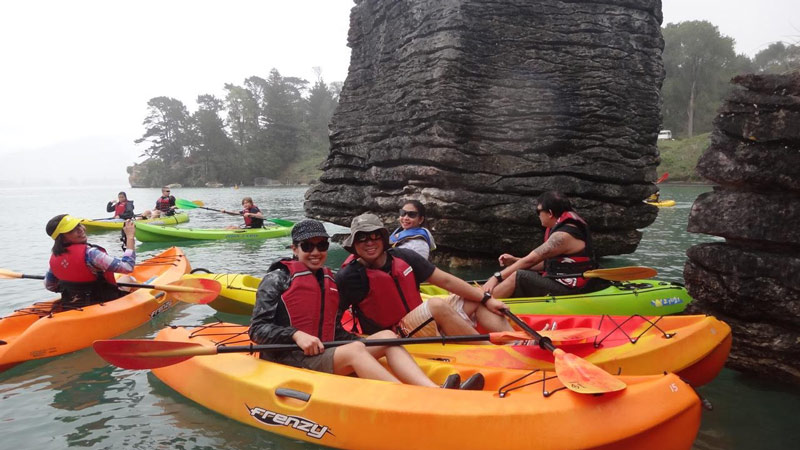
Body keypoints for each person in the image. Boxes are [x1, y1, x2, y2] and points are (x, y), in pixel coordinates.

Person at [249, 219, 482, 389]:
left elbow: (333, 329)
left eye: (321, 245)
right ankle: (410, 396)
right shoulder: (277, 279)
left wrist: (362, 340)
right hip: (291, 357)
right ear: (294, 249)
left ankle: (432, 389)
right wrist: (295, 335)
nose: (315, 252)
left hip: (323, 351)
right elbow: (257, 329)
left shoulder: (328, 279)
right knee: (355, 351)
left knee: (387, 338)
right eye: (307, 246)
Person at [336, 213, 513, 341]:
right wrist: (357, 341)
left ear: (382, 238)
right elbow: (333, 316)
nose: (369, 242)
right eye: (362, 238)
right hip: (395, 333)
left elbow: (445, 280)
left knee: (475, 296)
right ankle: (486, 349)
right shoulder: (349, 276)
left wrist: (487, 298)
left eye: (374, 236)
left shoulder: (403, 256)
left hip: (420, 321)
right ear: (354, 244)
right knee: (436, 304)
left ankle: (517, 343)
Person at [481, 191, 608, 299]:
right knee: (518, 273)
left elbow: (531, 259)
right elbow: (548, 264)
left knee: (519, 275)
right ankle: (483, 295)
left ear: (550, 213)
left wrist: (496, 277)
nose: (538, 215)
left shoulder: (563, 236)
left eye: (538, 211)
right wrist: (515, 261)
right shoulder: (560, 229)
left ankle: (480, 302)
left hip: (574, 289)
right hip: (562, 282)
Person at [44, 214, 137, 308]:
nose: (81, 229)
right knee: (130, 279)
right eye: (72, 230)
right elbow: (127, 267)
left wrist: (74, 290)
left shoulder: (55, 256)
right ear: (61, 238)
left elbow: (49, 285)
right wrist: (130, 237)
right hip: (104, 302)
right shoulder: (91, 253)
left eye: (78, 225)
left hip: (72, 302)